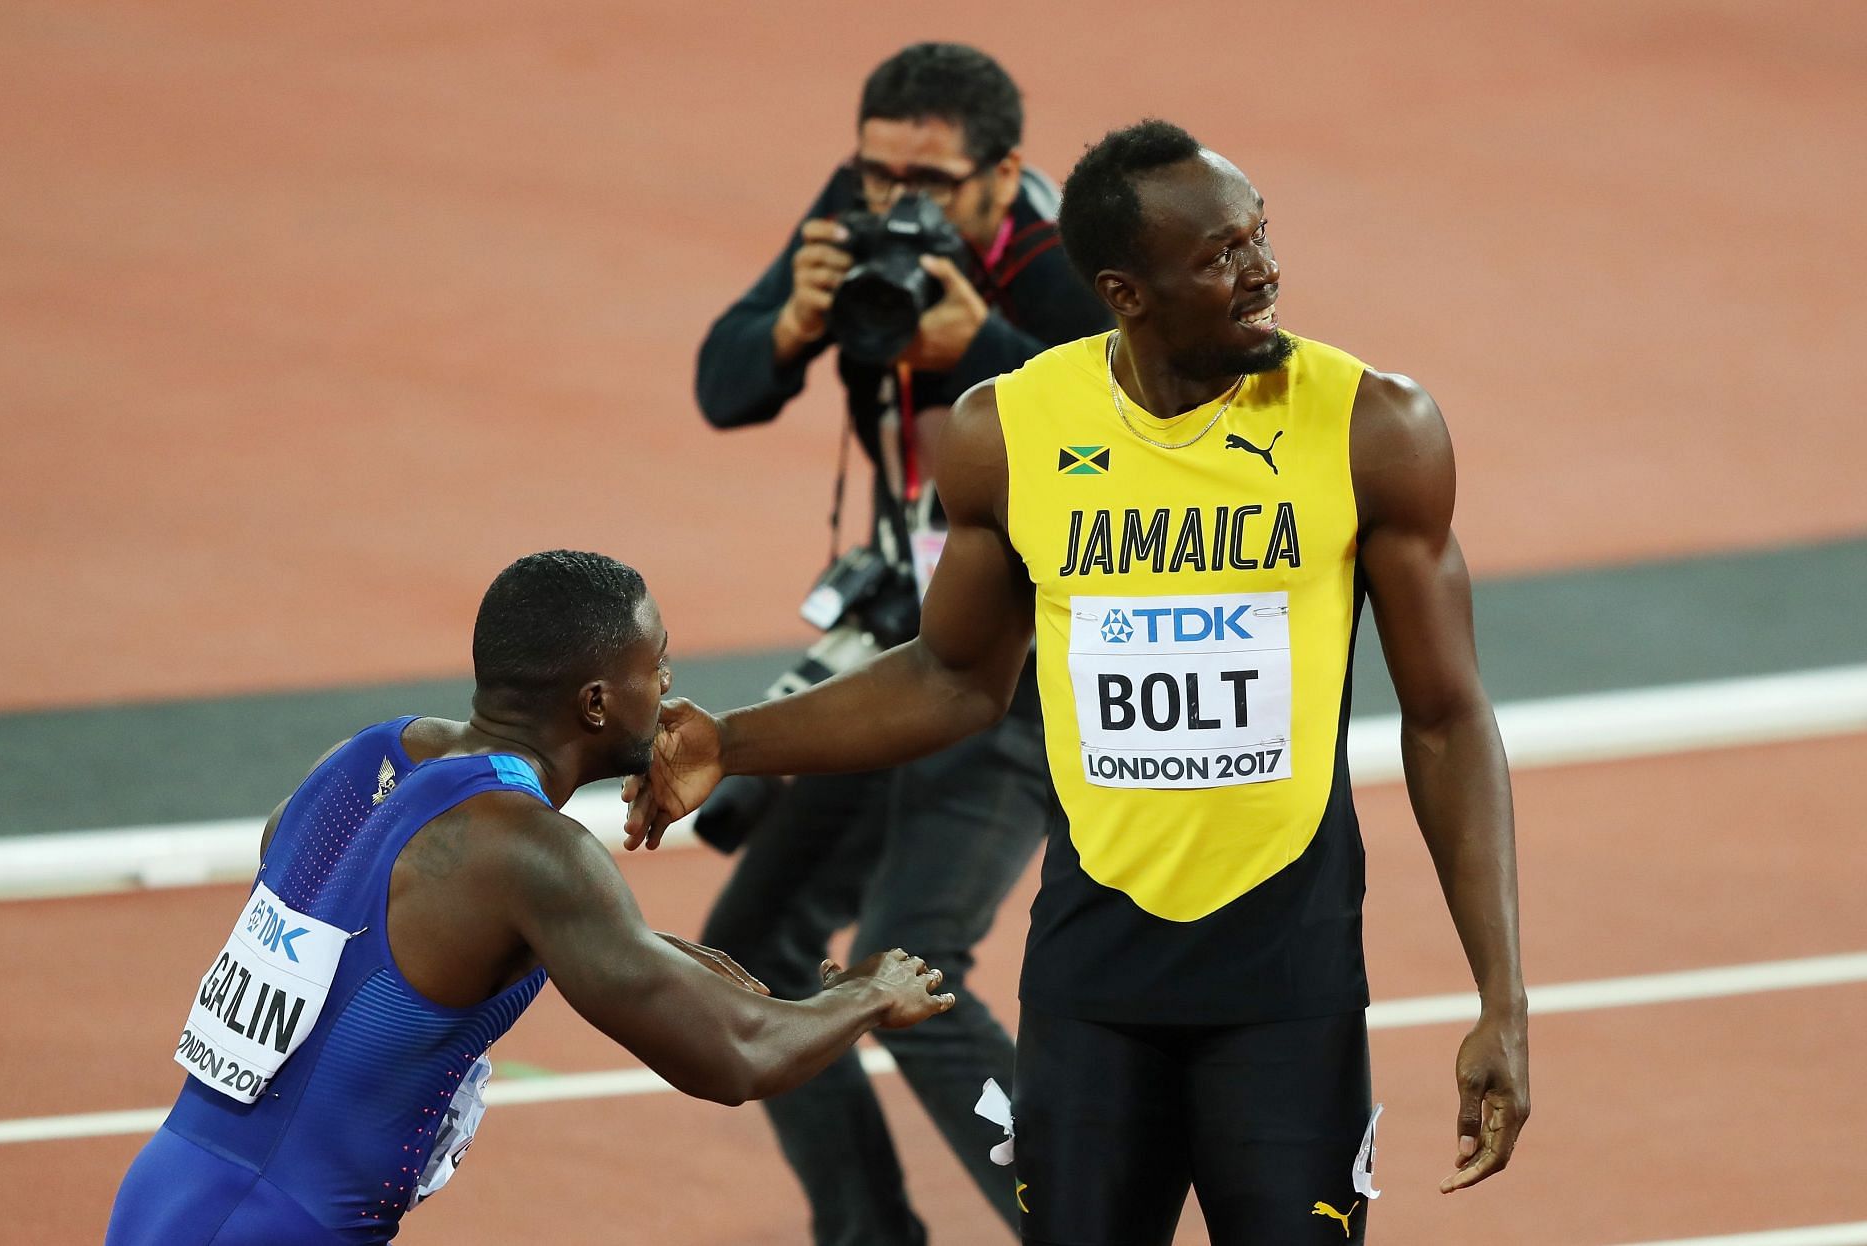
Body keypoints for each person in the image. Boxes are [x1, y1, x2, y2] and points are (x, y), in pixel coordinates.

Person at [628, 121, 1530, 1245]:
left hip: (1286, 992)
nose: (1263, 273)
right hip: (1094, 990)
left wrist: (1501, 995)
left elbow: (1446, 718)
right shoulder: (1007, 433)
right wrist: (736, 743)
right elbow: (955, 678)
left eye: (1260, 238)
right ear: (1125, 291)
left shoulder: (1370, 428)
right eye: (1219, 256)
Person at [104, 550, 955, 1246]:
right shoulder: (530, 852)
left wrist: (616, 943)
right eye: (656, 669)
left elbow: (366, 926)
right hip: (277, 1230)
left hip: (168, 1189)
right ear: (595, 703)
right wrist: (867, 993)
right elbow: (737, 1058)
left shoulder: (366, 757)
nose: (669, 690)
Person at [692, 41, 1109, 1244]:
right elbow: (723, 386)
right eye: (875, 175)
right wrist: (795, 322)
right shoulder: (859, 218)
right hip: (909, 649)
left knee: (908, 967)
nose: (893, 205)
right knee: (749, 953)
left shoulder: (1077, 265)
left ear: (1002, 175)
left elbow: (1141, 457)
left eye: (925, 184)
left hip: (1028, 671)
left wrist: (982, 355)